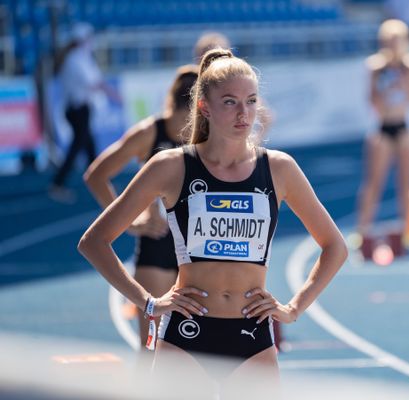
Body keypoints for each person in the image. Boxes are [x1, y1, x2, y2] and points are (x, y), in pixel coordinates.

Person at [78, 48, 347, 397]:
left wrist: (294, 308)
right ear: (204, 106)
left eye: (251, 101)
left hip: (253, 338)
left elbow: (335, 246)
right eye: (230, 102)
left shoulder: (280, 169)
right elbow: (94, 242)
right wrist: (147, 302)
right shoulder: (170, 166)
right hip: (187, 338)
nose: (244, 113)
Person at [83, 65, 198, 349]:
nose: (193, 127)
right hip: (157, 243)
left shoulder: (205, 138)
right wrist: (129, 223)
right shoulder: (149, 133)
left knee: (193, 350)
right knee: (152, 345)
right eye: (191, 117)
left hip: (197, 246)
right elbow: (97, 175)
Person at [356, 19, 409, 244]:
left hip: (404, 127)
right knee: (374, 182)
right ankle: (363, 231)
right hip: (382, 128)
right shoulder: (375, 66)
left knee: (407, 183)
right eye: (389, 41)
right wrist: (386, 89)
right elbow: (372, 99)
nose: (394, 45)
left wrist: (403, 83)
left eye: (398, 40)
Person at [49, 22, 118, 203]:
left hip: (80, 108)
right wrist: (114, 95)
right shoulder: (76, 59)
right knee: (79, 145)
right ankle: (60, 183)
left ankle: (97, 181)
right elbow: (94, 82)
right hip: (77, 109)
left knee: (88, 146)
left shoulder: (78, 57)